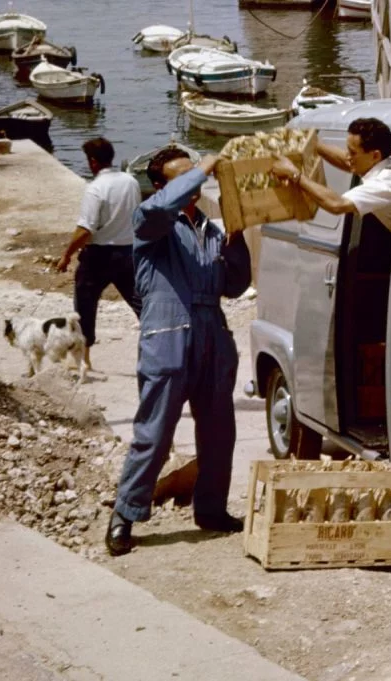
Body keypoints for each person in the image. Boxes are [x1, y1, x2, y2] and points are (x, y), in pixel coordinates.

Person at [106, 147, 252, 557]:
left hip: (213, 338)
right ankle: (125, 513)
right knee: (153, 434)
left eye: (197, 176)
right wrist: (207, 164)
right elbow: (161, 210)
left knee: (220, 432)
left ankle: (211, 509)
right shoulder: (151, 223)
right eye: (184, 177)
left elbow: (235, 286)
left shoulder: (209, 229)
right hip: (168, 336)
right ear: (159, 187)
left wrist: (237, 239)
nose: (196, 184)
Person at [55, 137, 143, 371]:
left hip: (99, 255)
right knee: (141, 303)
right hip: (128, 252)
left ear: (93, 162)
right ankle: (162, 345)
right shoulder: (130, 181)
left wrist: (66, 255)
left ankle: (83, 358)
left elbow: (86, 229)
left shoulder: (95, 188)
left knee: (85, 305)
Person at [270, 117, 391, 234]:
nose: (348, 156)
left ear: (375, 155)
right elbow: (348, 162)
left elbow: (337, 205)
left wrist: (294, 174)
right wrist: (312, 144)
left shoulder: (385, 185)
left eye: (353, 153)